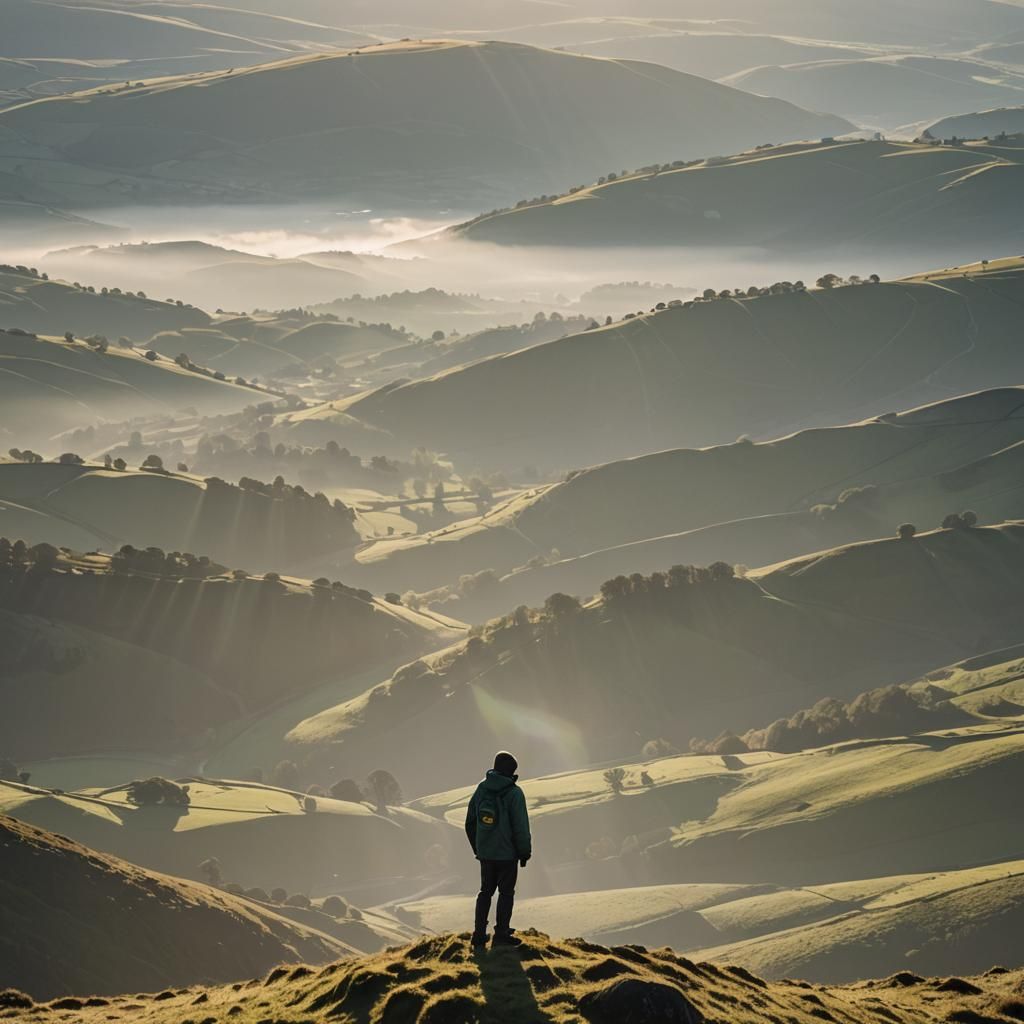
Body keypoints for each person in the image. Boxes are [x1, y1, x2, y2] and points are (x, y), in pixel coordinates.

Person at [465, 750, 532, 947]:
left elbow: (470, 822)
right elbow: (521, 827)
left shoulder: (481, 789)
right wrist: (524, 852)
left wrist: (478, 847)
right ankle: (501, 934)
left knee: (485, 892)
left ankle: (478, 934)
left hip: (486, 854)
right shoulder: (514, 793)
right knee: (506, 893)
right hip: (507, 855)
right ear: (511, 771)